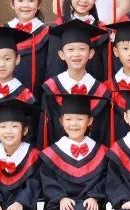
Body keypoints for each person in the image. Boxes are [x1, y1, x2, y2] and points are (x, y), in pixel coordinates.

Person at [39, 93, 112, 210]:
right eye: (69, 119)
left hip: (90, 202)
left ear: (90, 121)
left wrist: (95, 197)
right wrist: (60, 197)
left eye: (80, 119)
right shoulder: (52, 153)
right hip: (61, 204)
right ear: (61, 121)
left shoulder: (101, 152)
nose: (74, 124)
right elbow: (48, 181)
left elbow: (105, 179)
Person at [39, 19, 112, 147]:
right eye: (70, 49)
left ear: (91, 53)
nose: (76, 54)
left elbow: (103, 133)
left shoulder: (101, 91)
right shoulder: (51, 89)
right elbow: (47, 132)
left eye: (82, 49)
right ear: (62, 55)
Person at [47, 0, 113, 82]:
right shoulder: (58, 28)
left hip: (96, 90)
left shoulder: (102, 31)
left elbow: (105, 69)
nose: (84, 0)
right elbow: (54, 67)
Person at [1, 0, 53, 94]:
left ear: (39, 4)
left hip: (38, 95)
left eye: (31, 1)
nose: (25, 5)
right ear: (12, 4)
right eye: (20, 1)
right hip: (9, 95)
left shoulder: (48, 34)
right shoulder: (3, 31)